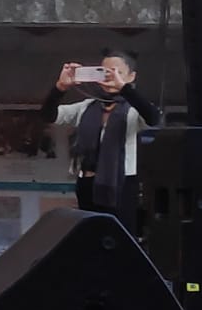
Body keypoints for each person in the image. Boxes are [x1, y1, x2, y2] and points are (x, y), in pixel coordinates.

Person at [40, 50, 161, 229]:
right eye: (105, 72)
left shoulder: (133, 110)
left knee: (119, 233)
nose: (110, 77)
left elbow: (153, 118)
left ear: (131, 77)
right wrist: (60, 88)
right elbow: (48, 115)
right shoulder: (87, 107)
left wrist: (124, 89)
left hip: (121, 183)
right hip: (87, 182)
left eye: (118, 72)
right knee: (91, 233)